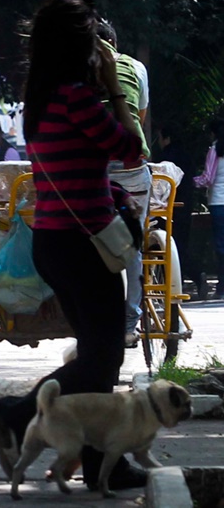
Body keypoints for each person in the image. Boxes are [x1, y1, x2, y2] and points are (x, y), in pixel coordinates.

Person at [0, 0, 147, 492]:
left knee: (96, 351)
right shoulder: (77, 98)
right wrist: (115, 90)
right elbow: (131, 150)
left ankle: (107, 461)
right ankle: (15, 412)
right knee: (104, 357)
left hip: (55, 240)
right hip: (85, 244)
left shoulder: (39, 100)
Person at [96, 18, 152, 346]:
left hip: (95, 171)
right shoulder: (137, 69)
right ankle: (131, 319)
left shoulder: (81, 73)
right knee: (134, 246)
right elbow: (138, 119)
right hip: (132, 170)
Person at [156, 124, 199, 298]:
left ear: (167, 139)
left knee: (167, 245)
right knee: (181, 243)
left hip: (169, 206)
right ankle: (189, 278)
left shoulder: (166, 159)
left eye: (160, 138)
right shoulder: (187, 156)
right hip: (185, 205)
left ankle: (173, 284)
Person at [193, 119, 224, 300]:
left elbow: (207, 179)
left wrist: (189, 181)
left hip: (219, 202)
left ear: (213, 134)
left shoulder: (214, 151)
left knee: (221, 246)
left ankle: (222, 287)